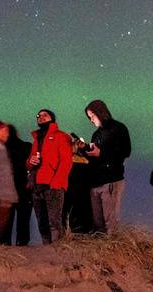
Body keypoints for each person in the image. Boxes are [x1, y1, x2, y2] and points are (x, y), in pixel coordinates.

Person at [84, 100, 132, 233]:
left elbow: (126, 151)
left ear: (100, 112)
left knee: (110, 223)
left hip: (111, 180)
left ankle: (112, 251)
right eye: (89, 117)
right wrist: (84, 150)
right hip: (96, 181)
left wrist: (102, 152)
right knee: (98, 223)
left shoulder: (118, 128)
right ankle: (102, 251)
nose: (91, 120)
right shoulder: (97, 133)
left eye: (92, 116)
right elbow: (95, 156)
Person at [29, 109, 73, 243]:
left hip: (52, 186)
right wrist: (30, 162)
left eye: (44, 115)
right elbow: (30, 161)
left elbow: (66, 161)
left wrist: (56, 183)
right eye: (38, 116)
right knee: (42, 223)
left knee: (54, 222)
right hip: (37, 185)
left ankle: (57, 252)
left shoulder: (61, 136)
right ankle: (46, 252)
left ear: (52, 118)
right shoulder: (37, 138)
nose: (40, 117)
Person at [4, 124, 34, 245]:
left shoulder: (1, 148)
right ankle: (22, 243)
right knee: (24, 217)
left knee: (7, 219)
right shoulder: (27, 146)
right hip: (24, 186)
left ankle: (5, 244)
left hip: (7, 187)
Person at [64, 132, 95, 233]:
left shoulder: (86, 158)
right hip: (71, 192)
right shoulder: (66, 158)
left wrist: (84, 148)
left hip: (83, 193)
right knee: (72, 214)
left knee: (83, 214)